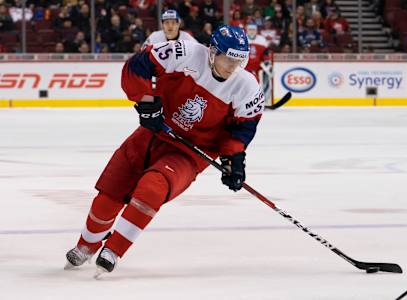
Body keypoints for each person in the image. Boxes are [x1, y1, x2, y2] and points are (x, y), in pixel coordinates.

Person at [64, 25, 264, 277]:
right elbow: (138, 65)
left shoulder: (247, 87)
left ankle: (114, 250)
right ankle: (86, 244)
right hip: (152, 134)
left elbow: (242, 129)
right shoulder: (186, 53)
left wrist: (234, 160)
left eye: (239, 60)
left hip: (189, 153)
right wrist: (147, 103)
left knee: (152, 187)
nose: (233, 67)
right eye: (228, 59)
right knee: (110, 193)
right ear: (213, 51)